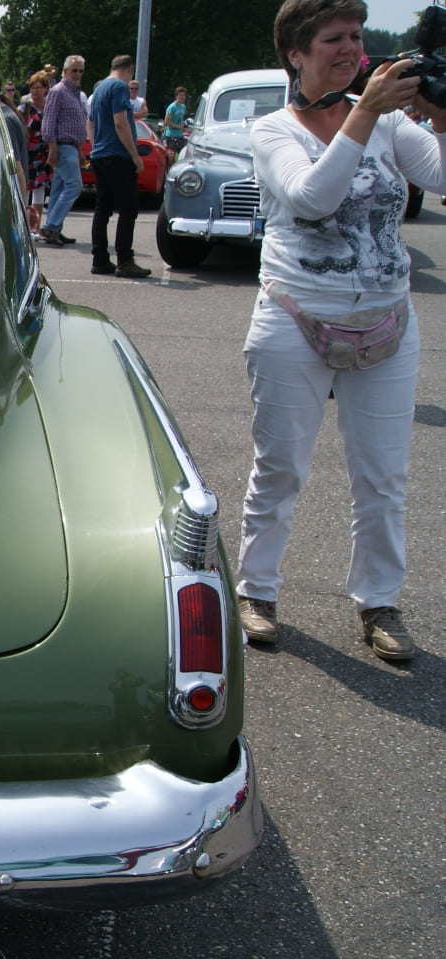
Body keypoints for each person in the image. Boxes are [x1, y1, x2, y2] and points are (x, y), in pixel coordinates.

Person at [234, 0, 446, 661]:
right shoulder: (272, 130)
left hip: (386, 322)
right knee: (281, 469)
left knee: (383, 478)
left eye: (357, 35)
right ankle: (258, 589)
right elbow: (311, 197)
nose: (351, 48)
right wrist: (364, 110)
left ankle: (379, 603)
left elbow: (438, 176)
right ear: (296, 54)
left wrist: (441, 115)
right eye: (334, 38)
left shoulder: (386, 124)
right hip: (297, 321)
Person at [87, 54, 152, 278]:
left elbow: (91, 122)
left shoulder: (100, 89)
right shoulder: (119, 87)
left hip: (100, 154)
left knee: (102, 208)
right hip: (117, 154)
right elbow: (120, 121)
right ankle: (125, 259)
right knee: (128, 208)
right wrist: (135, 156)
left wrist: (95, 147)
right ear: (129, 69)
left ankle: (100, 259)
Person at [0, 62, 37, 229]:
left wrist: (21, 215)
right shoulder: (6, 114)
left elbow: (16, 170)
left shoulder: (3, 119)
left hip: (9, 211)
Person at [39, 54, 88, 246]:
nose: (77, 74)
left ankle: (55, 229)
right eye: (74, 70)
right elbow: (49, 121)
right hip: (61, 146)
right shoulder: (58, 91)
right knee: (74, 186)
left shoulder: (74, 93)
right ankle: (51, 226)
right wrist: (52, 148)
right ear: (65, 71)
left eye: (80, 71)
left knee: (59, 189)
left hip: (71, 147)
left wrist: (79, 149)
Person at [19, 71, 55, 225]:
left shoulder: (50, 108)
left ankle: (36, 226)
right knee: (24, 190)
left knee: (40, 190)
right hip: (27, 154)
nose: (34, 91)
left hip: (42, 154)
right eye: (32, 88)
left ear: (46, 88)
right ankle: (24, 225)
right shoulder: (24, 108)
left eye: (38, 88)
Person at [163, 86, 189, 152]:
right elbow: (166, 121)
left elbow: (182, 118)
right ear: (176, 96)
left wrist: (183, 127)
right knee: (173, 155)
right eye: (180, 95)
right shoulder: (172, 107)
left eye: (184, 95)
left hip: (180, 135)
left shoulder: (183, 107)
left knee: (183, 153)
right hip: (171, 135)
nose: (182, 97)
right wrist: (178, 127)